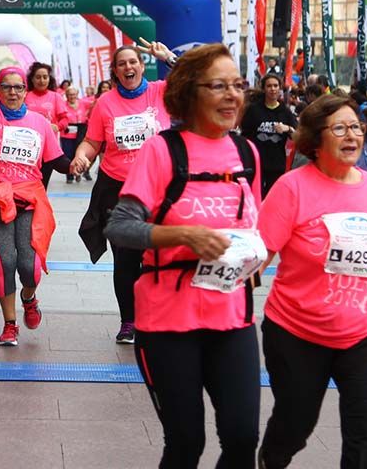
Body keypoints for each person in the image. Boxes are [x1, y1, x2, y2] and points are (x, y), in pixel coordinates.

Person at [103, 44, 262, 467]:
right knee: (187, 442)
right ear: (191, 93)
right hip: (169, 322)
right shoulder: (162, 150)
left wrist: (253, 254)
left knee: (243, 437)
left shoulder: (247, 154)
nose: (233, 95)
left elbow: (251, 228)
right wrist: (184, 236)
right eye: (219, 86)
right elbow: (119, 226)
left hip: (232, 317)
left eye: (238, 85)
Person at [256, 94, 367, 468]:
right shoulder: (291, 187)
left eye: (356, 127)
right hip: (298, 332)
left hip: (366, 332)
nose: (352, 136)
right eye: (340, 128)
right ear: (316, 139)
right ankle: (271, 458)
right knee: (296, 423)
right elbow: (259, 256)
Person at [0, 22, 71, 346]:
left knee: (29, 266)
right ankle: (10, 324)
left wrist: (78, 163)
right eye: (6, 86)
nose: (11, 91)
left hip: (31, 199)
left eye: (17, 87)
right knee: (5, 261)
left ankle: (30, 298)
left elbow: (56, 161)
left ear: (25, 90)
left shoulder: (39, 123)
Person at [72, 43, 174, 344]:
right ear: (115, 71)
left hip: (159, 187)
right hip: (119, 190)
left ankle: (155, 316)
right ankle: (129, 321)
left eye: (133, 62)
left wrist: (167, 57)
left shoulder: (161, 92)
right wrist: (82, 157)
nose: (128, 68)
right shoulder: (105, 103)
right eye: (122, 64)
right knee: (126, 259)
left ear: (142, 66)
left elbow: (197, 79)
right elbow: (92, 142)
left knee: (159, 257)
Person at [240, 73, 297, 197]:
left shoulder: (285, 112)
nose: (273, 89)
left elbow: (297, 135)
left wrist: (287, 128)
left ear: (280, 88)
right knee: (256, 195)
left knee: (273, 196)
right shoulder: (254, 110)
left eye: (276, 86)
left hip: (276, 163)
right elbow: (245, 134)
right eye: (269, 86)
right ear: (264, 89)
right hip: (257, 162)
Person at [25, 61, 69, 186]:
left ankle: (38, 205)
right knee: (27, 185)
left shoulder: (56, 97)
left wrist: (58, 126)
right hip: (28, 147)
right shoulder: (25, 96)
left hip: (48, 149)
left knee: (41, 186)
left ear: (50, 79)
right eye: (38, 77)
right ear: (32, 79)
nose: (42, 80)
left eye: (45, 77)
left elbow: (65, 120)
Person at [61, 86, 89, 183]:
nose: (72, 96)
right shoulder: (63, 105)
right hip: (67, 135)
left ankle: (78, 173)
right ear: (66, 95)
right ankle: (69, 176)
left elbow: (94, 105)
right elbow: (59, 118)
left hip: (80, 133)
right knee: (68, 155)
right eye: (69, 94)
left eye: (73, 94)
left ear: (77, 95)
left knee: (79, 155)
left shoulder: (83, 103)